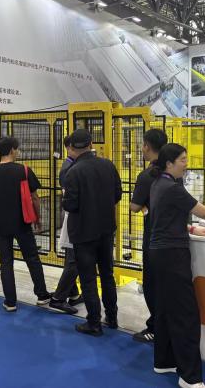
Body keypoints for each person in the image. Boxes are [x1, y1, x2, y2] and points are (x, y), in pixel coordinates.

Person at [148, 143, 205, 388]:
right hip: (172, 255)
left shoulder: (158, 184)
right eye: (183, 160)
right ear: (169, 163)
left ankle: (164, 360)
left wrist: (189, 228)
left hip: (159, 253)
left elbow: (164, 217)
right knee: (185, 315)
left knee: (165, 309)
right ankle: (190, 377)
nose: (186, 165)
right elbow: (204, 211)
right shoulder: (171, 187)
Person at [62, 129, 122, 336]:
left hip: (83, 232)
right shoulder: (108, 165)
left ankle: (94, 322)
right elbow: (117, 194)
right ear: (91, 144)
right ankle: (112, 317)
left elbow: (70, 204)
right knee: (107, 275)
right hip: (106, 229)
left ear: (72, 147)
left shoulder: (73, 172)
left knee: (88, 279)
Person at [0, 136, 51, 311]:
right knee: (32, 259)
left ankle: (10, 301)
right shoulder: (23, 171)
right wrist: (37, 218)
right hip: (22, 223)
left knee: (6, 263)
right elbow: (34, 198)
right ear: (12, 150)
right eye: (17, 148)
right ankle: (42, 295)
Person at [129, 128, 168, 344]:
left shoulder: (146, 176)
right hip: (173, 236)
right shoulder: (172, 172)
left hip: (153, 236)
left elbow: (135, 206)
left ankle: (155, 327)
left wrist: (145, 207)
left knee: (152, 284)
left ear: (146, 146)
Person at [49, 135, 83, 314]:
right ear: (69, 147)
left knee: (72, 257)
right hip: (72, 216)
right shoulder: (69, 167)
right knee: (73, 259)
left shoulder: (72, 165)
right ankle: (58, 298)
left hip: (73, 215)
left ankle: (73, 293)